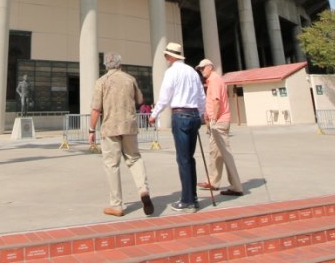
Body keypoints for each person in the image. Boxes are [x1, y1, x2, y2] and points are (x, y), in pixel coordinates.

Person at [89, 53, 154, 217]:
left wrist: (91, 130)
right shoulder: (129, 79)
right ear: (120, 65)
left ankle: (117, 205)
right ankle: (143, 189)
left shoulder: (101, 82)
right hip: (129, 126)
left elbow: (96, 109)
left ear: (106, 66)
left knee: (112, 165)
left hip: (110, 128)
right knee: (134, 158)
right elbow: (140, 100)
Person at [148, 42, 206, 213]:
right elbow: (201, 96)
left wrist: (154, 114)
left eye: (166, 55)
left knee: (183, 159)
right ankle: (192, 197)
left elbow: (164, 97)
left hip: (180, 115)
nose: (166, 58)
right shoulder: (192, 72)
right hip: (194, 114)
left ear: (171, 56)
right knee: (190, 157)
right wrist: (201, 115)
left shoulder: (171, 72)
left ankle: (187, 200)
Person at [196, 59, 244, 197]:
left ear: (210, 67)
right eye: (200, 69)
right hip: (216, 122)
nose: (201, 70)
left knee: (225, 154)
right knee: (215, 153)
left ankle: (236, 186)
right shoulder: (212, 81)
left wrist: (213, 120)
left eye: (203, 68)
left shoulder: (215, 80)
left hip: (218, 122)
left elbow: (216, 101)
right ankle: (213, 181)